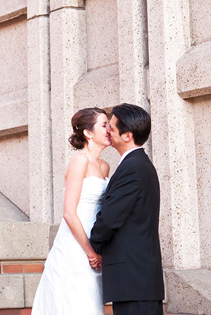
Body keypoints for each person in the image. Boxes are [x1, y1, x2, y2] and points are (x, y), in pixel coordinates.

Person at [31, 107, 112, 314]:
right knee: (75, 301)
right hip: (76, 244)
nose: (109, 128)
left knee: (92, 301)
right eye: (104, 125)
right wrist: (89, 252)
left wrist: (99, 248)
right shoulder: (79, 161)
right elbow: (68, 212)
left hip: (95, 241)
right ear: (88, 133)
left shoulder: (104, 167)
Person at [89, 103, 165, 315]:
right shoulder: (138, 164)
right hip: (138, 280)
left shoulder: (132, 168)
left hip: (134, 278)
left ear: (127, 136)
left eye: (111, 128)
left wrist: (92, 246)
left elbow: (111, 217)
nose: (108, 132)